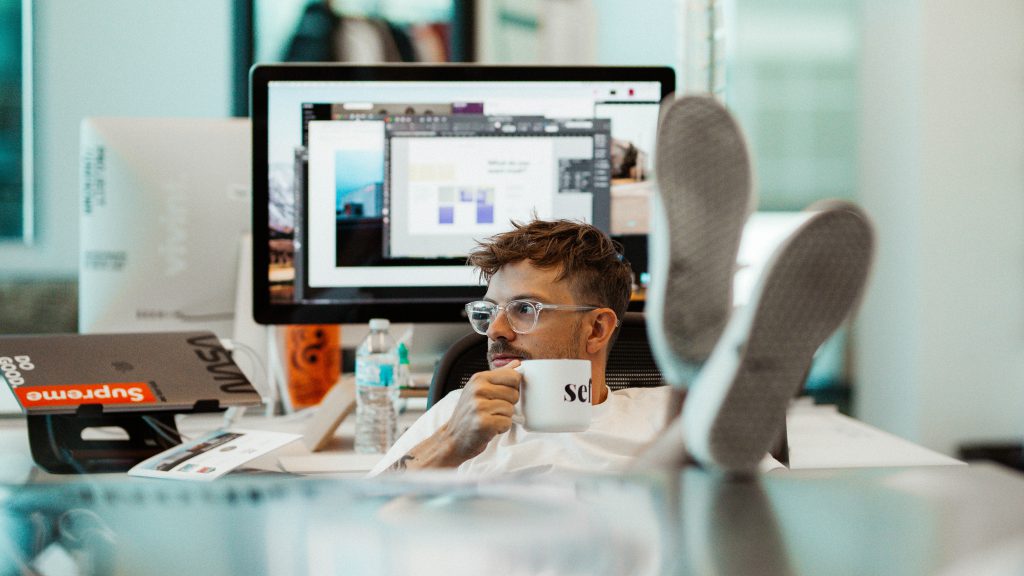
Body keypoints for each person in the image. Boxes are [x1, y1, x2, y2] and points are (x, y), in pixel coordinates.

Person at [369, 219, 680, 476]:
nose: (494, 330)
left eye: (525, 309)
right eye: (489, 311)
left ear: (596, 329)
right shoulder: (458, 414)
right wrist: (450, 443)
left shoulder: (668, 419)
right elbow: (359, 524)